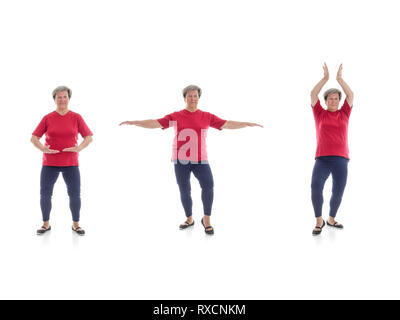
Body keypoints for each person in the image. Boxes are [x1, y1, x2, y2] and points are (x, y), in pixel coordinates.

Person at [120, 85, 262, 235]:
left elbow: (226, 124)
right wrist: (135, 122)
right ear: (184, 98)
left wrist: (245, 124)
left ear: (199, 98)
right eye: (189, 96)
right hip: (181, 159)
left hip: (201, 159)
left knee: (208, 186)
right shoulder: (176, 116)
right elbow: (156, 123)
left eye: (195, 96)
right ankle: (189, 218)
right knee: (184, 190)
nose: (192, 99)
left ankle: (206, 219)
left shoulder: (207, 116)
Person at [31, 86, 93, 236]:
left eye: (65, 97)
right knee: (45, 195)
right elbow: (34, 138)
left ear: (69, 98)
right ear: (54, 99)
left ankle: (76, 224)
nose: (62, 100)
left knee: (75, 195)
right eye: (59, 97)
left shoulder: (76, 117)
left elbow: (89, 137)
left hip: (71, 163)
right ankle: (46, 224)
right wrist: (43, 149)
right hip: (49, 163)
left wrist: (79, 148)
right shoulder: (48, 118)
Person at [310, 64, 354, 235]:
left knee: (338, 190)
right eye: (330, 98)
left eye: (336, 98)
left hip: (341, 159)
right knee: (315, 187)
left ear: (339, 101)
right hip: (322, 158)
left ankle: (331, 219)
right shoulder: (319, 112)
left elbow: (350, 94)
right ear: (326, 100)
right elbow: (313, 94)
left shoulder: (344, 112)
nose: (333, 101)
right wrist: (325, 79)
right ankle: (319, 220)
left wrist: (340, 79)